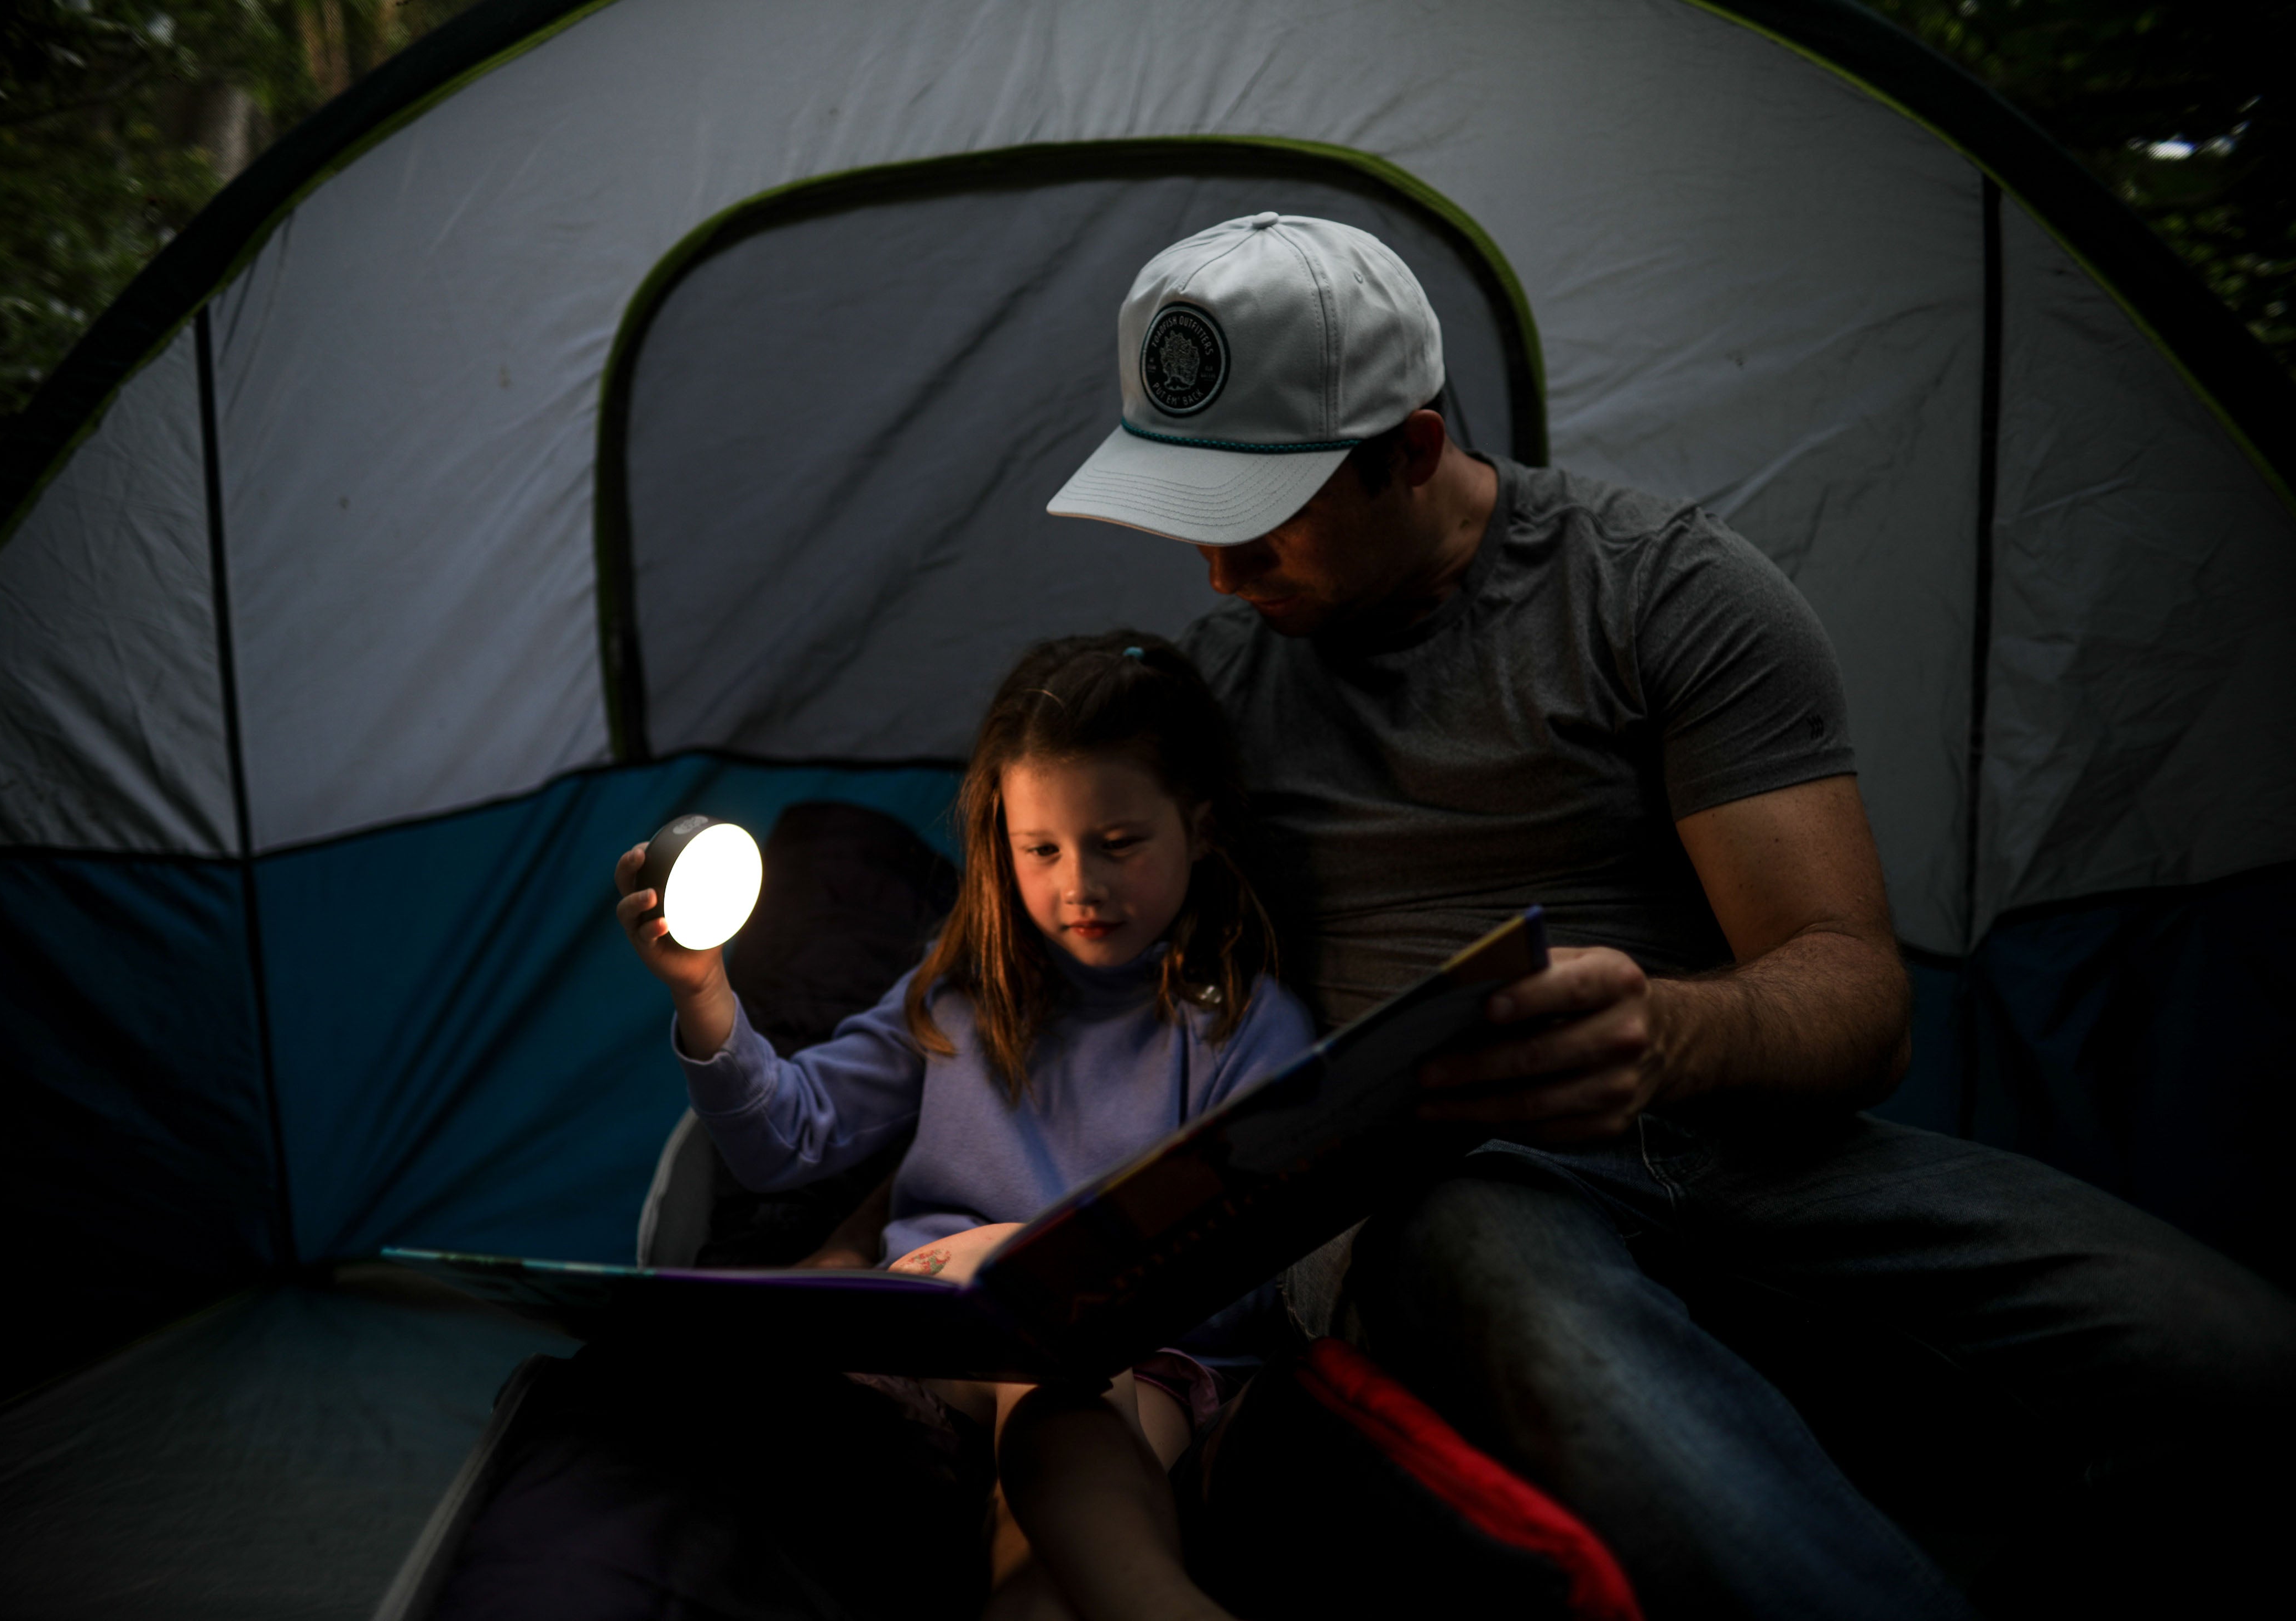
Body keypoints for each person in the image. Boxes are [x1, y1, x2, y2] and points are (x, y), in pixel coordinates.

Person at [1045, 213, 2296, 1617]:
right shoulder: (1214, 707)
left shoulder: (1664, 594)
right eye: (1190, 522)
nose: (1218, 575)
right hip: (1441, 1192)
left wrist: (1666, 1032)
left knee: (2230, 1358)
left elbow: (1857, 995)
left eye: (1256, 524)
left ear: (1407, 449)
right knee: (1587, 1371)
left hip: (1747, 1146)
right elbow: (1029, 989)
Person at [615, 631, 1313, 1621]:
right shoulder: (959, 998)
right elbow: (788, 1137)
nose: (1079, 883)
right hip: (936, 1338)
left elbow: (1259, 1271)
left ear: (1197, 829)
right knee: (1024, 1341)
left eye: (1119, 844)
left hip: (1143, 1366)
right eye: (1043, 850)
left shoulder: (1246, 1028)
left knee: (1043, 1541)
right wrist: (706, 997)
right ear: (1003, 843)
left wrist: (1051, 1272)